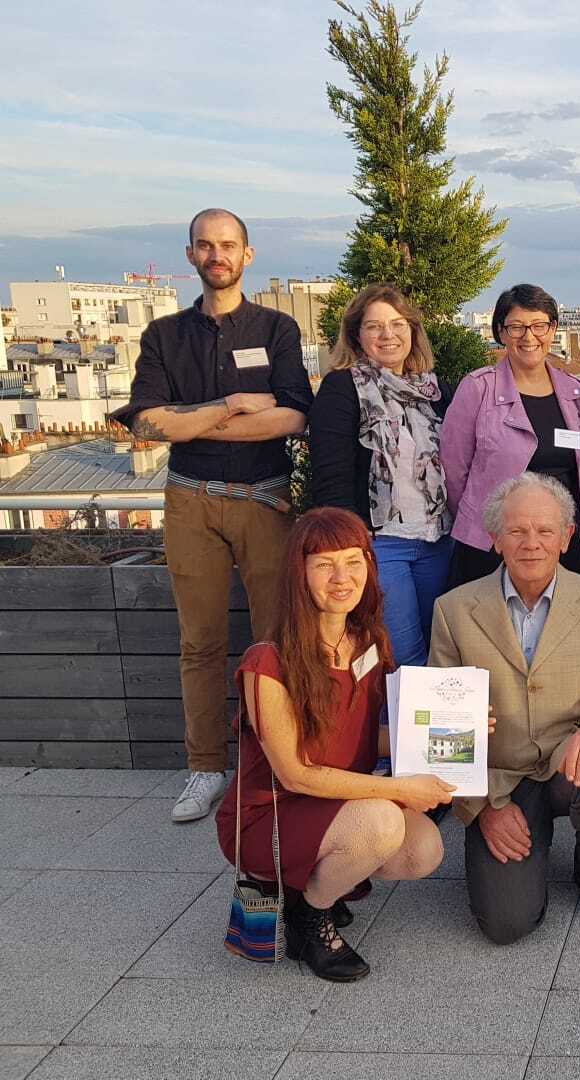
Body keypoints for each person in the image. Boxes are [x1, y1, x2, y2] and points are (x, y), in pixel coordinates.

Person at [112, 208, 313, 824]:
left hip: (266, 499)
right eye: (206, 245)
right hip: (190, 502)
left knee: (275, 640)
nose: (217, 254)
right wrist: (228, 404)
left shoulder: (277, 328)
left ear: (247, 255)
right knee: (199, 642)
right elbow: (147, 423)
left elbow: (294, 417)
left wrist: (188, 418)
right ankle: (205, 769)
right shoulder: (164, 336)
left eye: (227, 245)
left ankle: (273, 765)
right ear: (191, 255)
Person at [216, 507, 456, 981]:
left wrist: (451, 735)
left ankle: (318, 886)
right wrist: (402, 790)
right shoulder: (268, 662)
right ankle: (311, 916)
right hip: (274, 815)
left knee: (422, 849)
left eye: (354, 561)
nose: (342, 577)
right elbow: (296, 774)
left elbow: (369, 738)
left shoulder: (366, 641)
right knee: (385, 820)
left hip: (336, 802)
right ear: (299, 573)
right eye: (324, 565)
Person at [430, 472, 580, 945]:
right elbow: (441, 733)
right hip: (500, 778)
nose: (532, 543)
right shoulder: (452, 610)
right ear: (494, 539)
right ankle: (527, 849)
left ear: (567, 537)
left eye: (546, 530)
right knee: (507, 925)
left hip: (571, 761)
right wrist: (483, 806)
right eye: (517, 531)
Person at [309, 284, 454, 668]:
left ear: (413, 331)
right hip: (381, 545)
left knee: (440, 651)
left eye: (397, 324)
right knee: (403, 657)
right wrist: (352, 546)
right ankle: (393, 729)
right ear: (357, 335)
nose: (388, 335)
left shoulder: (436, 390)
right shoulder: (342, 388)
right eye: (374, 326)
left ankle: (426, 728)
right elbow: (331, 475)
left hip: (438, 540)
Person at [440, 283, 580, 586]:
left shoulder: (573, 391)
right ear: (501, 332)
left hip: (560, 539)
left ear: (553, 329)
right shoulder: (478, 388)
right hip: (492, 541)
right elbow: (452, 470)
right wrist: (481, 522)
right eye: (517, 327)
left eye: (538, 326)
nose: (529, 337)